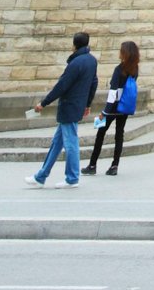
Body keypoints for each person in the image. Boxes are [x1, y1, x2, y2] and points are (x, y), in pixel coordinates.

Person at [30, 30, 98, 188]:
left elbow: (61, 86)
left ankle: (72, 178)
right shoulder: (91, 61)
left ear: (74, 45)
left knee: (71, 143)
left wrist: (44, 103)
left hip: (69, 106)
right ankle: (41, 176)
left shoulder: (75, 64)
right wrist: (88, 104)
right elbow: (94, 83)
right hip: (78, 105)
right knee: (57, 143)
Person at [84, 40, 139, 176]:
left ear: (125, 53)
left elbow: (113, 93)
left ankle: (92, 165)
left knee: (100, 134)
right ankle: (115, 165)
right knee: (119, 134)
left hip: (113, 107)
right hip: (124, 107)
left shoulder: (119, 69)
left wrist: (105, 112)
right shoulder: (135, 69)